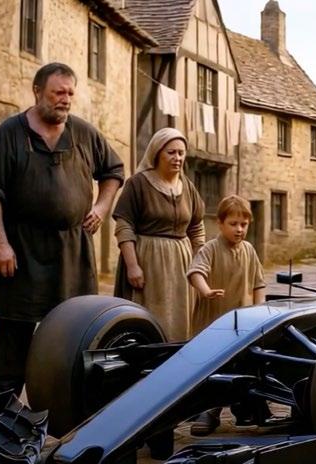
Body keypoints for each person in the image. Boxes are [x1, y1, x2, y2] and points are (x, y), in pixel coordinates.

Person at [0, 62, 124, 396]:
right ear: (37, 91)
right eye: (58, 92)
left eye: (70, 93)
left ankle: (69, 405)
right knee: (14, 338)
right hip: (22, 250)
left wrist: (101, 208)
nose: (65, 99)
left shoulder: (84, 133)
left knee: (75, 334)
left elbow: (114, 171)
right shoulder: (9, 133)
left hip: (72, 251)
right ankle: (5, 407)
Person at [113, 127, 205, 341]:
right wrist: (133, 266)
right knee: (148, 318)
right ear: (157, 153)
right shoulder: (138, 184)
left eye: (181, 153)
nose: (177, 158)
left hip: (181, 265)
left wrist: (199, 263)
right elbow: (124, 226)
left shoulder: (188, 187)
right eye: (171, 152)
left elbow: (196, 227)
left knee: (180, 319)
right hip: (148, 261)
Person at [187, 194, 266, 435]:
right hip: (213, 322)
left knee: (242, 363)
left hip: (241, 322)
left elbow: (259, 284)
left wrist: (260, 310)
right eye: (233, 224)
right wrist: (206, 290)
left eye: (244, 224)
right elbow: (196, 272)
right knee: (212, 366)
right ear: (220, 223)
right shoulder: (210, 249)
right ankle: (209, 411)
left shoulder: (249, 250)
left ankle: (246, 408)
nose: (239, 229)